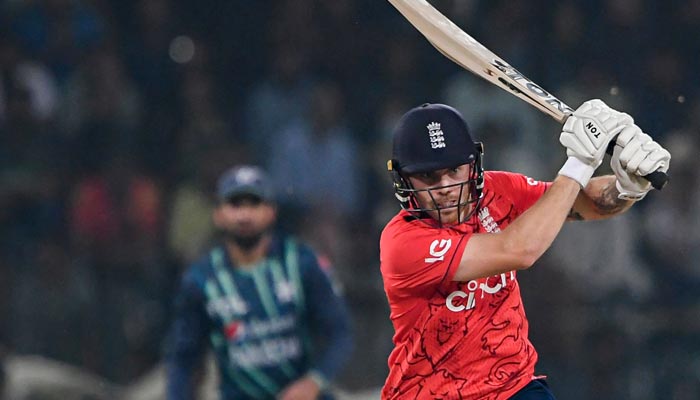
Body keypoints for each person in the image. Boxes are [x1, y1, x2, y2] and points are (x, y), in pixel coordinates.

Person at [379, 100, 671, 400]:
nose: (446, 187)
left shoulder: (500, 190)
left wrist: (629, 186)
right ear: (403, 179)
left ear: (473, 163)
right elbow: (519, 250)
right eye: (428, 176)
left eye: (454, 169)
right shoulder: (402, 241)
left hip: (515, 387)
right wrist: (580, 162)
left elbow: (586, 204)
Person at [166, 165, 353, 400]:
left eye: (254, 204)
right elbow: (183, 359)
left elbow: (340, 333)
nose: (245, 215)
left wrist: (314, 381)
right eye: (235, 205)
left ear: (271, 211)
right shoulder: (201, 280)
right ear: (218, 214)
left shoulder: (301, 263)